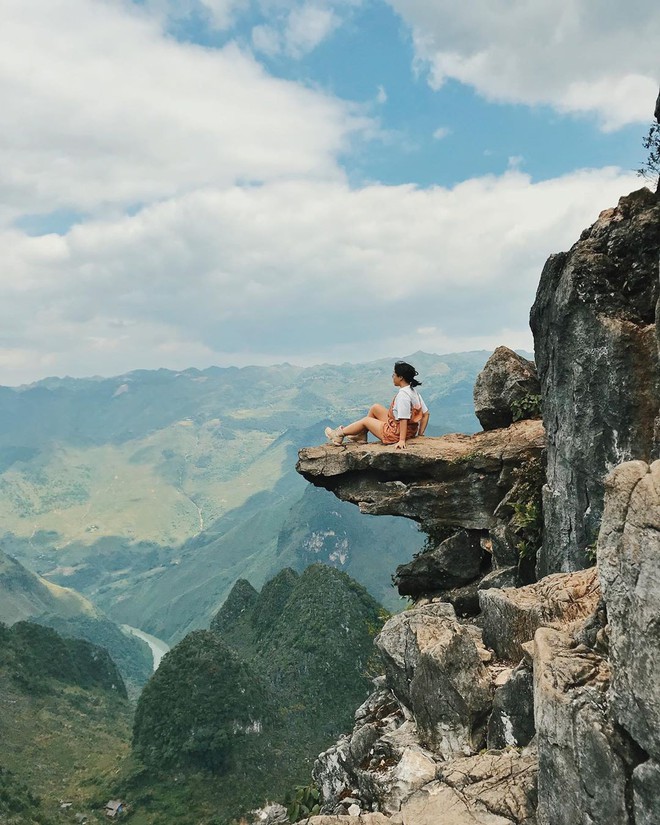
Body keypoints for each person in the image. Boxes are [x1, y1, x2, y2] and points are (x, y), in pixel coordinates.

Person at [325, 361, 429, 450]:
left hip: (395, 434)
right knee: (375, 407)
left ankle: (338, 435)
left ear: (401, 377)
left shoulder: (403, 395)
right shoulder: (413, 392)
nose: (393, 376)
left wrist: (401, 440)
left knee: (366, 420)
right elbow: (426, 414)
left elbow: (403, 419)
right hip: (408, 431)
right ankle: (361, 435)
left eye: (394, 374)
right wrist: (419, 434)